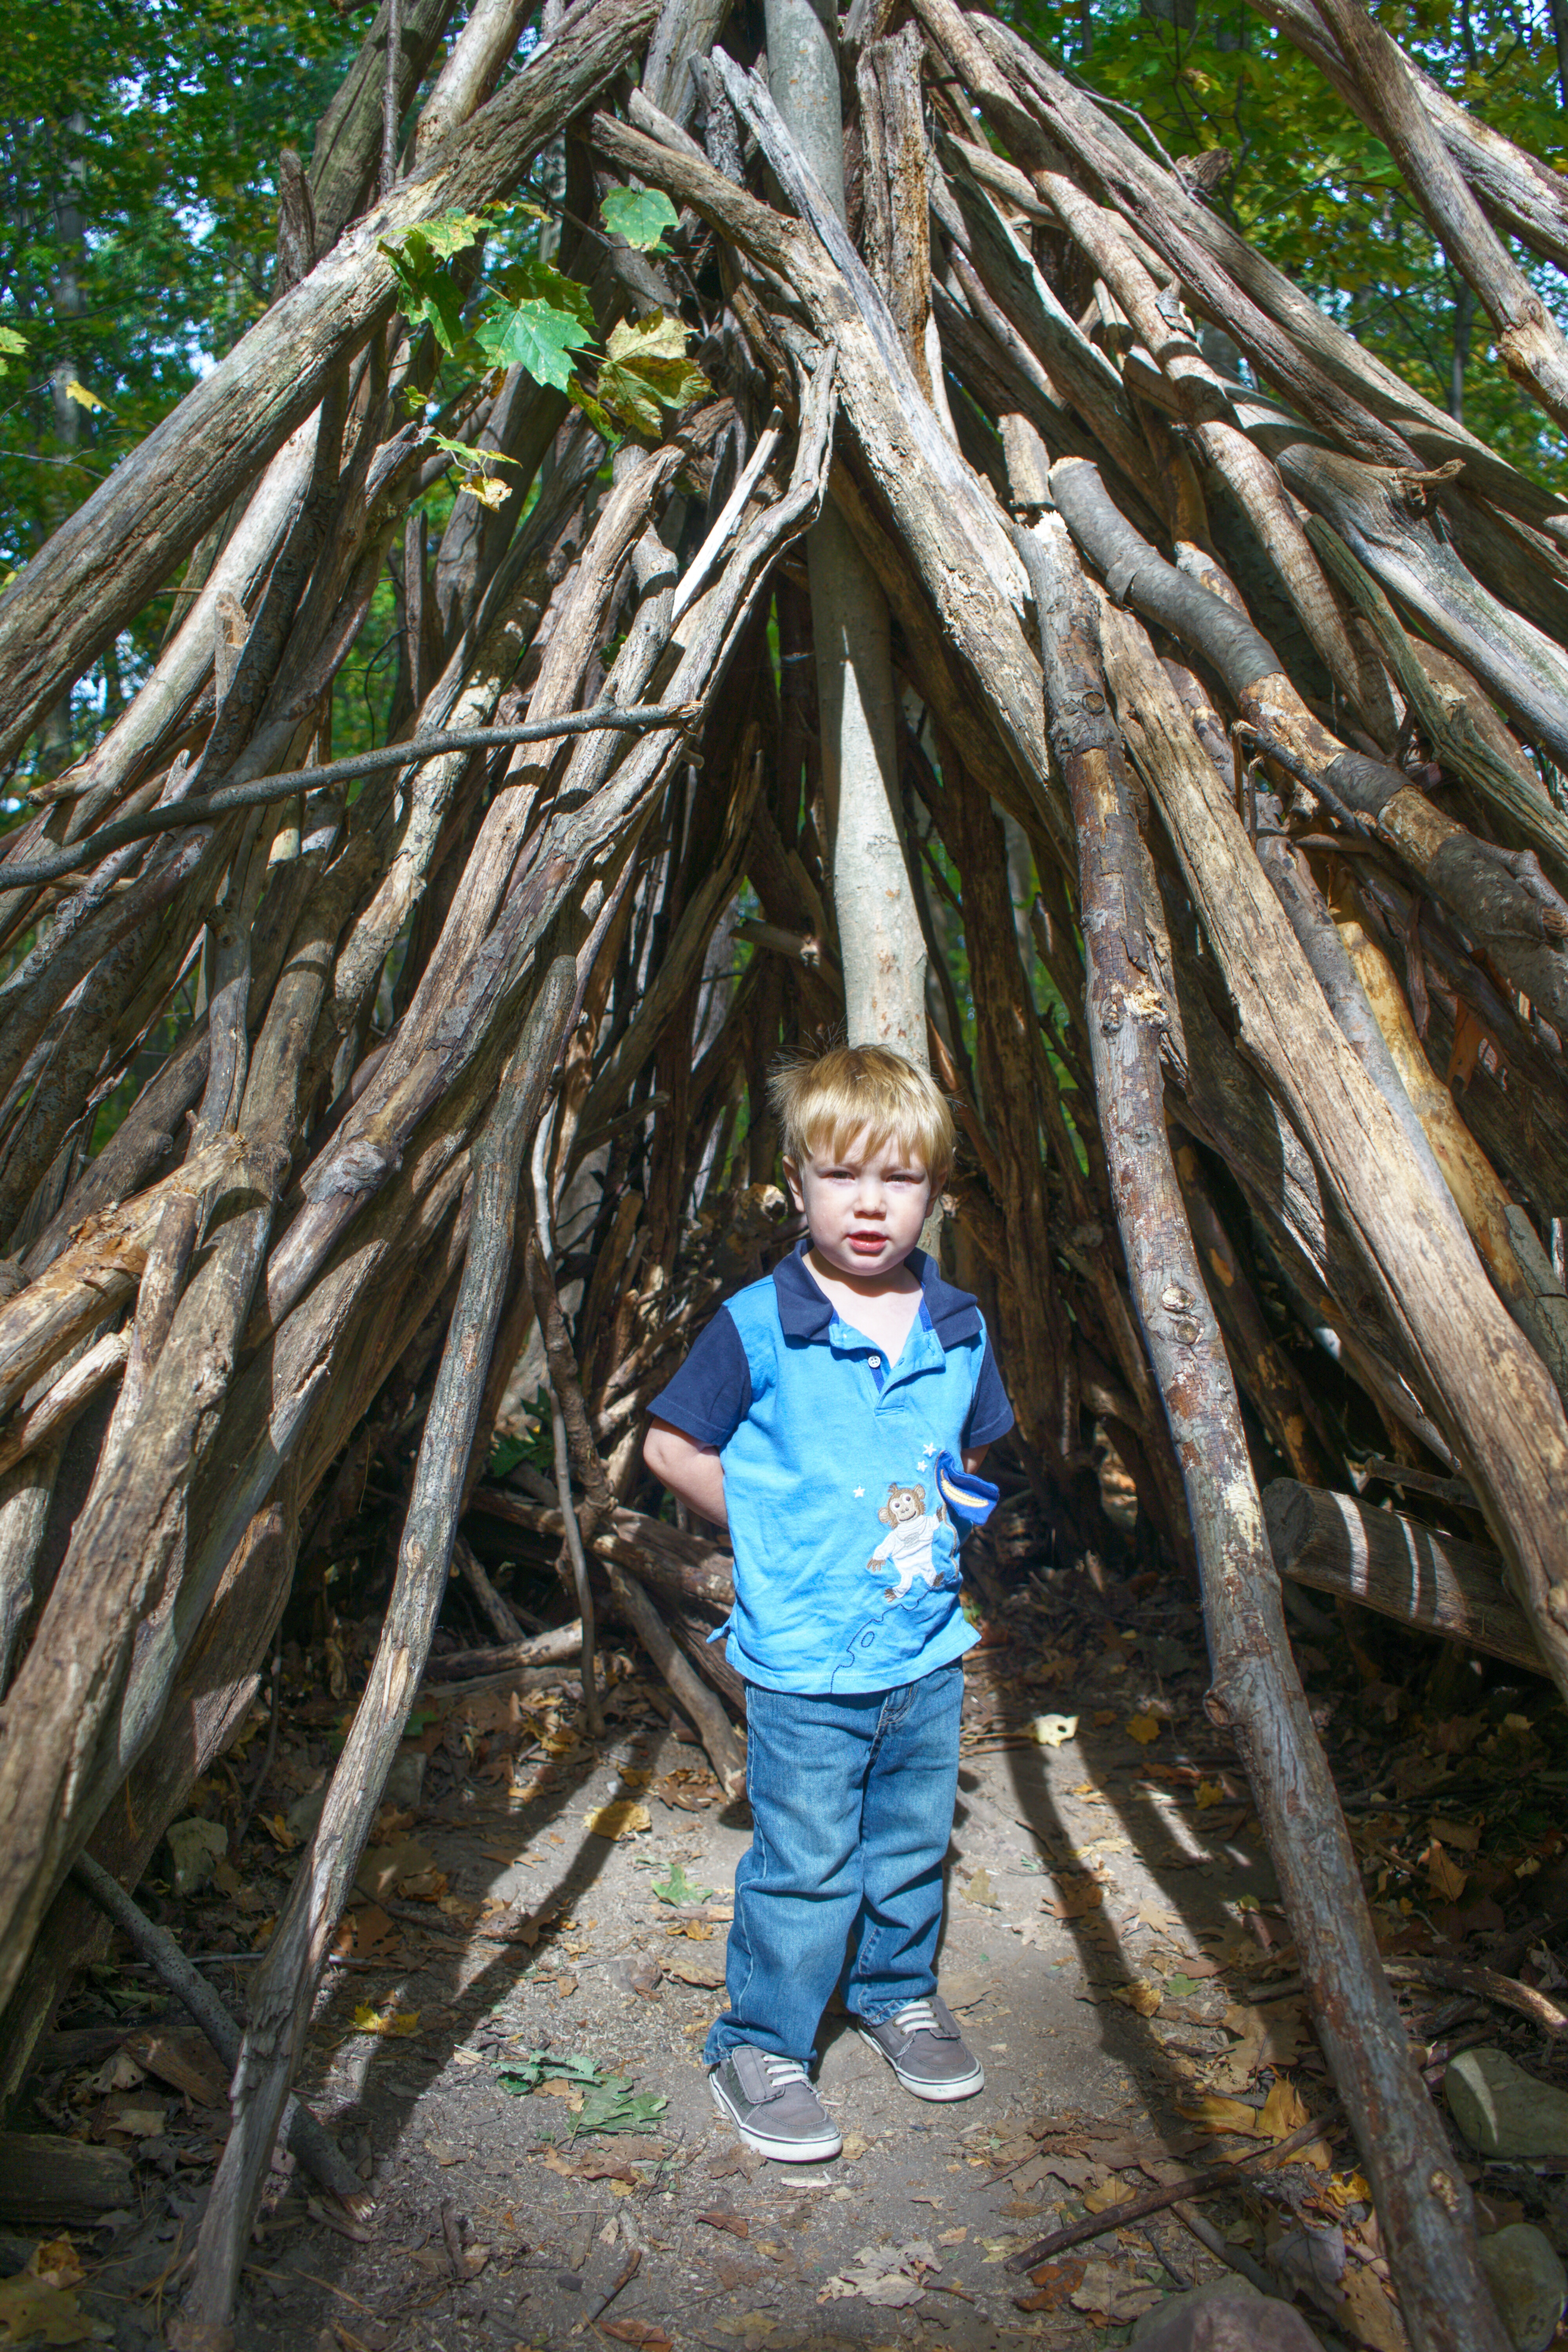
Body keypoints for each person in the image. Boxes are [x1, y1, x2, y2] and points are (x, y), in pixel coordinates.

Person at [642, 1044, 1013, 2162]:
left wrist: (947, 1511)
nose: (869, 1203)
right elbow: (669, 1445)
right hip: (805, 1658)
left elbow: (977, 1439)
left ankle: (895, 1991)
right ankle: (760, 2042)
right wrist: (769, 1533)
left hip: (925, 1649)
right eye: (842, 1175)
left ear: (935, 1198)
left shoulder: (958, 1327)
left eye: (898, 1180)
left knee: (905, 1843)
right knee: (805, 1858)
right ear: (797, 1184)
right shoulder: (758, 1325)